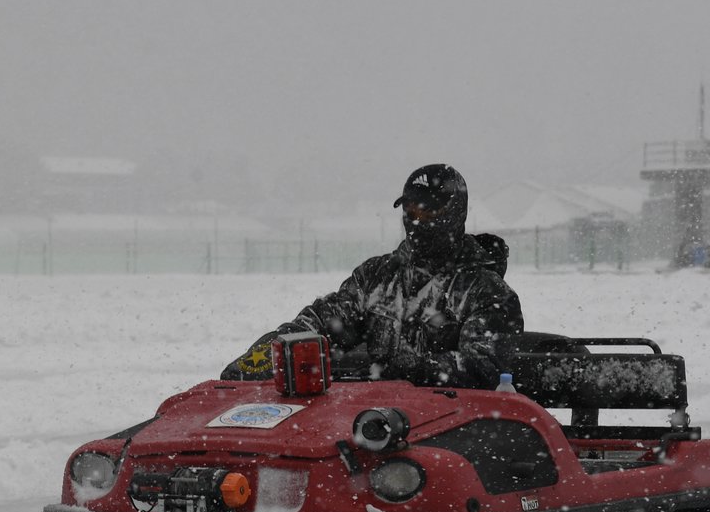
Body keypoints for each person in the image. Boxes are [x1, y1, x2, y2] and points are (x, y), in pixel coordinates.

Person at [222, 164, 522, 389]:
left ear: (454, 212)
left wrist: (415, 369)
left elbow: (487, 367)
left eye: (427, 210)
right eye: (410, 209)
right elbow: (325, 319)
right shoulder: (376, 275)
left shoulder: (487, 292)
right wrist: (274, 350)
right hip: (366, 416)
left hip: (448, 427)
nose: (416, 220)